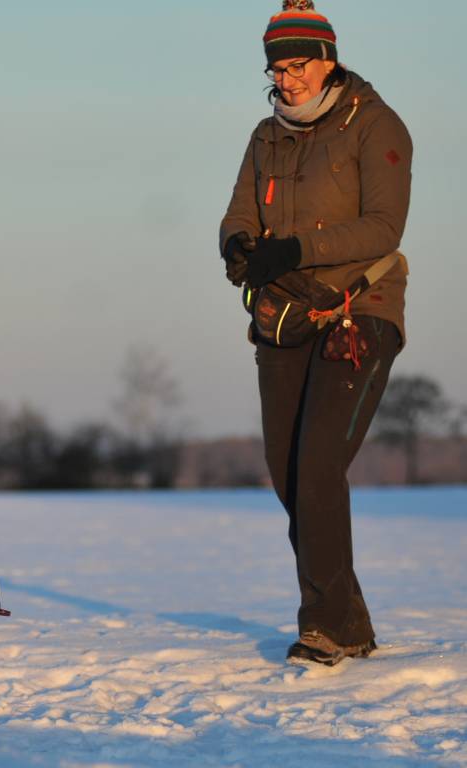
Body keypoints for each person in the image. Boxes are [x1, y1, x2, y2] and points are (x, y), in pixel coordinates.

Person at [219, 0, 412, 665]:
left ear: (326, 60)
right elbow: (238, 218)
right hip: (284, 319)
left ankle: (323, 628)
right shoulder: (263, 135)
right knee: (286, 471)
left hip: (360, 312)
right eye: (276, 66)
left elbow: (384, 228)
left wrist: (294, 247)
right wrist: (242, 253)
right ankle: (348, 622)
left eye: (297, 64)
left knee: (318, 464)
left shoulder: (376, 126)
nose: (286, 78)